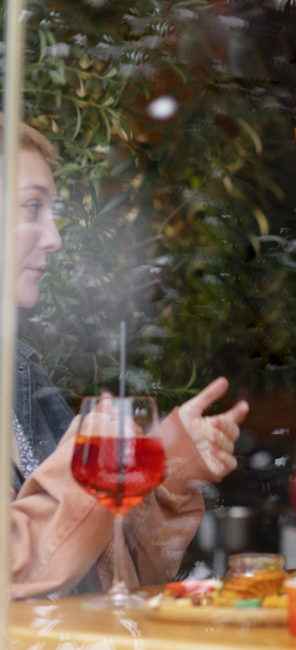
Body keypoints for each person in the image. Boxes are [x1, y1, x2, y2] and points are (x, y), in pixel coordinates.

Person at [4, 122, 250, 598]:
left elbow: (107, 571)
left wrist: (170, 462)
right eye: (33, 207)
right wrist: (88, 466)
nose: (54, 238)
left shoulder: (20, 374)